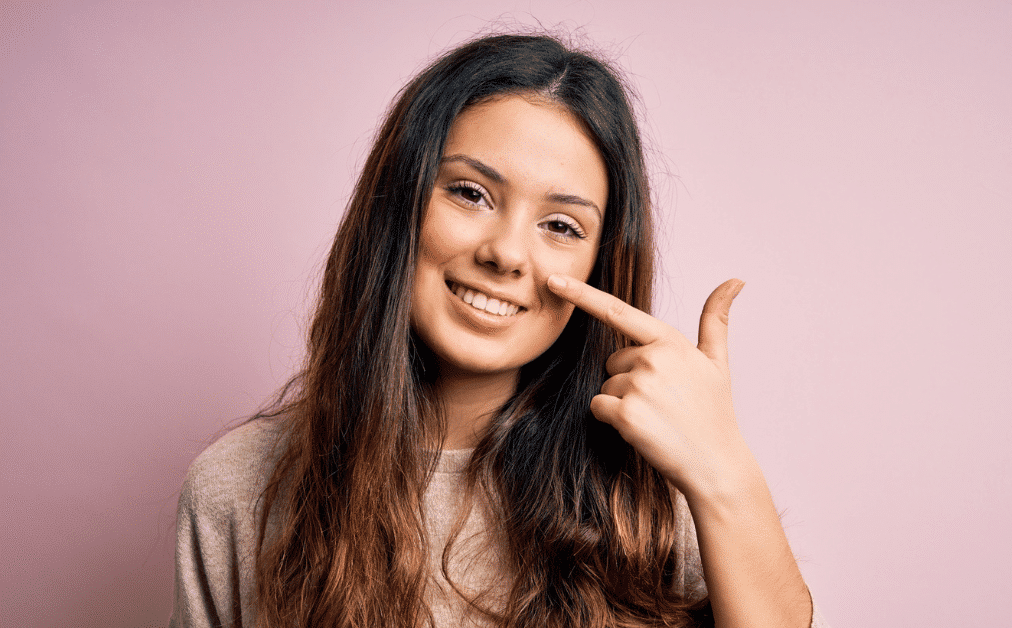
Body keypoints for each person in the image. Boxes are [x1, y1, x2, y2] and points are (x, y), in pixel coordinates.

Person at [170, 33, 829, 628]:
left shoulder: (658, 490)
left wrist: (725, 471)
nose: (508, 254)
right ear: (399, 202)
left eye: (561, 226)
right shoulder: (237, 489)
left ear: (600, 267)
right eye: (470, 193)